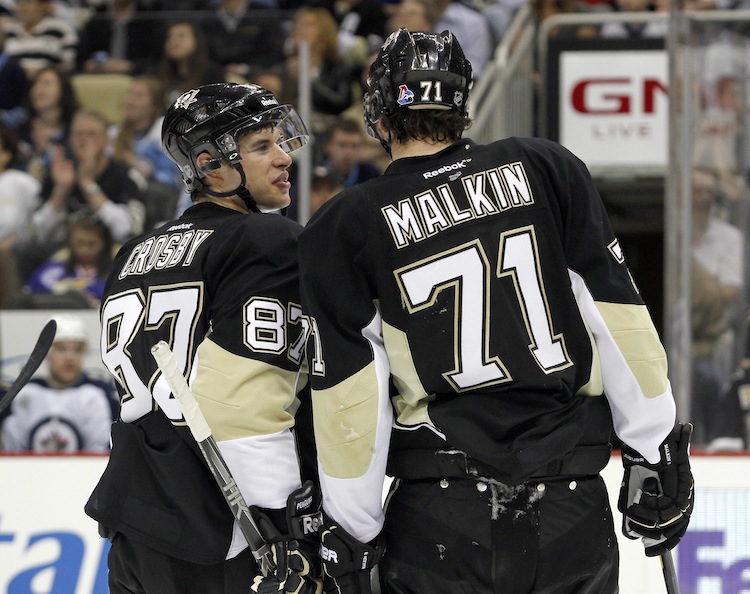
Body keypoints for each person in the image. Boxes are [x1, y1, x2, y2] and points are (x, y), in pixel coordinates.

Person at [298, 29, 694, 593]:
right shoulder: (545, 166)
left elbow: (351, 397)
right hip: (570, 507)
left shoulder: (344, 223)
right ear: (462, 105)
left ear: (379, 114)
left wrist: (353, 533)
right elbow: (616, 317)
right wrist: (653, 452)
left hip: (442, 514)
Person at [84, 82, 322, 594]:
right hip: (227, 531)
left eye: (282, 142)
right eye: (262, 146)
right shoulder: (269, 241)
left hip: (136, 526)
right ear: (211, 164)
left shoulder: (130, 255)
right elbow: (252, 407)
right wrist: (281, 532)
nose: (284, 159)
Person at [0, 314, 117, 452]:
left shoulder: (97, 395)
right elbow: (13, 450)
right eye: (61, 349)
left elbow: (102, 451)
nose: (70, 357)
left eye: (77, 349)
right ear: (46, 353)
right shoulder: (26, 393)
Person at [19, 212, 114, 308]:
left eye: (91, 244)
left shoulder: (114, 273)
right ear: (70, 242)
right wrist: (62, 287)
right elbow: (31, 289)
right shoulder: (55, 269)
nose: (84, 250)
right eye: (79, 243)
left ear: (103, 244)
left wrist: (88, 289)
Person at [75, 0, 166, 76]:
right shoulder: (98, 17)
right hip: (100, 78)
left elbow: (156, 61)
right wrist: (90, 64)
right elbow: (81, 58)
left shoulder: (149, 18)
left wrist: (130, 66)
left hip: (136, 79)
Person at [0, 0, 78, 77]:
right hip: (12, 84)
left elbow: (68, 65)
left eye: (27, 2)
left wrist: (40, 72)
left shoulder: (61, 30)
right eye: (18, 3)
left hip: (46, 82)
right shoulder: (8, 32)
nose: (21, 8)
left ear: (43, 5)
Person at [318, 116, 381, 188]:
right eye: (342, 145)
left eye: (354, 146)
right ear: (327, 145)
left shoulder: (371, 174)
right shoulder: (316, 175)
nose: (348, 152)